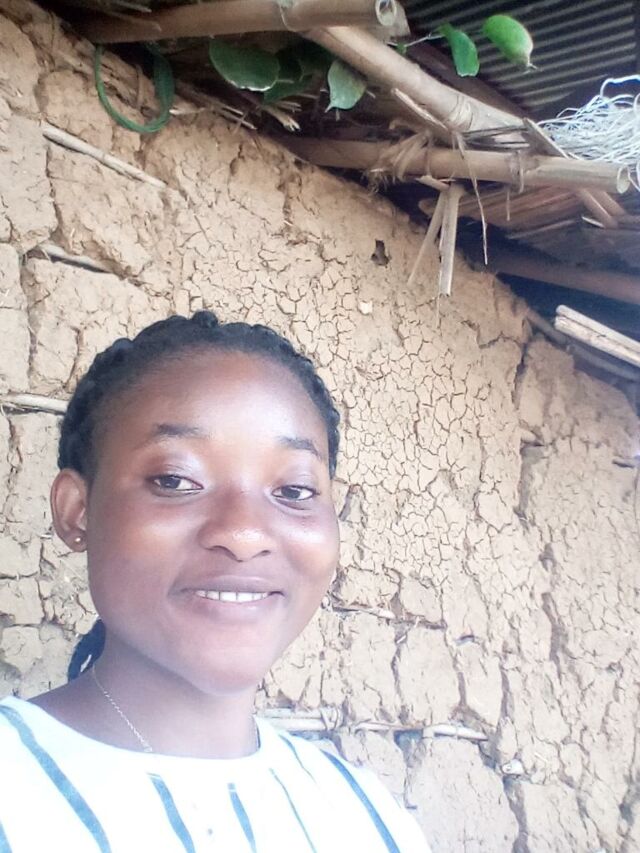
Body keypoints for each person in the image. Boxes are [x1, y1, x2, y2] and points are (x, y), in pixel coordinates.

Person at [0, 311, 429, 852]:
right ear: (78, 511)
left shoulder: (367, 818)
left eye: (294, 491)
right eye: (175, 480)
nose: (244, 534)